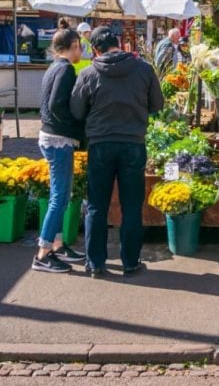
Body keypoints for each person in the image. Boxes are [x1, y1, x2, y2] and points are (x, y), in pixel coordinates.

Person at [70, 25, 164, 278]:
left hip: (100, 144)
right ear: (119, 44)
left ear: (96, 50)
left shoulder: (89, 74)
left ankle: (95, 263)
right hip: (133, 143)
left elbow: (77, 111)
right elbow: (158, 104)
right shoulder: (144, 69)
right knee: (132, 205)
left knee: (96, 206)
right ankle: (130, 262)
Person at [32, 19, 87, 273]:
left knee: (62, 195)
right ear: (73, 45)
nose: (81, 52)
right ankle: (43, 254)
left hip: (51, 136)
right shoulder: (65, 69)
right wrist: (77, 127)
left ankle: (57, 244)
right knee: (59, 198)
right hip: (58, 139)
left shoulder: (54, 66)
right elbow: (56, 105)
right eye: (80, 47)